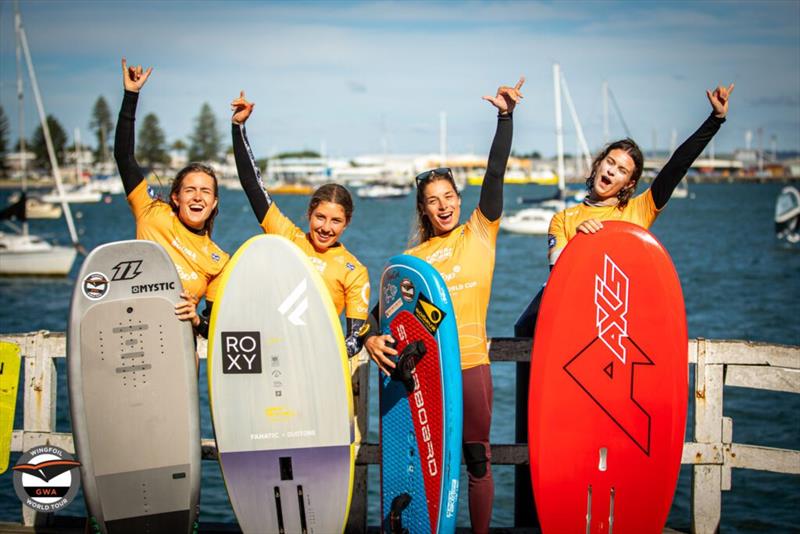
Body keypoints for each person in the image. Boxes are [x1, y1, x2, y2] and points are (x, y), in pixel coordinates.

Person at [364, 77, 525, 534]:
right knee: (427, 462)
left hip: (471, 364)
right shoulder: (411, 263)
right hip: (424, 373)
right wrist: (371, 338)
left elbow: (495, 173)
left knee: (476, 458)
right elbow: (377, 318)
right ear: (423, 209)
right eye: (433, 202)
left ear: (459, 199)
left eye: (449, 197)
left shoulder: (480, 232)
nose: (444, 206)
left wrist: (505, 117)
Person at [514, 83, 734, 337]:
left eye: (621, 170)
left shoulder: (638, 210)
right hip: (578, 327)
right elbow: (559, 277)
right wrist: (582, 244)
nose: (611, 171)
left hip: (623, 325)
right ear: (598, 164)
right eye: (610, 162)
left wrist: (715, 120)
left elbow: (677, 166)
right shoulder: (563, 219)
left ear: (629, 183)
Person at [230, 92, 370, 357]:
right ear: (309, 213)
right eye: (320, 217)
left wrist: (323, 354)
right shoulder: (288, 238)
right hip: (271, 354)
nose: (326, 227)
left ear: (346, 223)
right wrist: (238, 128)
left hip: (313, 363)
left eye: (336, 221)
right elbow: (252, 185)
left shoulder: (355, 272)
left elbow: (354, 338)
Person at [114, 59, 229, 338]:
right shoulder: (152, 212)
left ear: (214, 203)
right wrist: (131, 96)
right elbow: (124, 157)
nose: (198, 196)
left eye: (206, 191)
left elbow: (212, 327)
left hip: (177, 351)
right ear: (176, 197)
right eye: (190, 190)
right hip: (132, 334)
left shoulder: (219, 261)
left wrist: (195, 320)